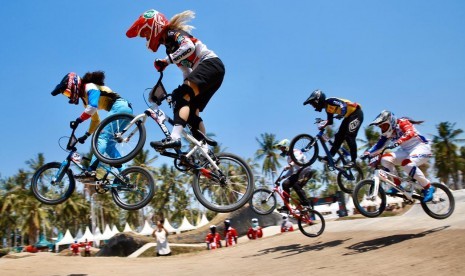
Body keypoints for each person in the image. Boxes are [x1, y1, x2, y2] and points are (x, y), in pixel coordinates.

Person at [126, 9, 225, 151]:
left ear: (155, 25)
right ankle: (206, 153)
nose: (146, 38)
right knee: (191, 111)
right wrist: (184, 86)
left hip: (210, 63)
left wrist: (167, 61)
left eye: (146, 33)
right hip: (214, 71)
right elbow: (186, 71)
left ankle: (174, 138)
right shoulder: (169, 48)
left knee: (181, 96)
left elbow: (189, 47)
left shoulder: (173, 34)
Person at [51, 71, 133, 178]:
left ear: (74, 84)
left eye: (67, 92)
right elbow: (95, 120)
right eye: (66, 95)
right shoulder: (85, 100)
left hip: (119, 107)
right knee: (108, 146)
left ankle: (92, 170)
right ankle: (125, 174)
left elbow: (93, 107)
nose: (69, 96)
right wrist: (86, 135)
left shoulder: (89, 87)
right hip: (124, 109)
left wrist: (78, 120)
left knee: (100, 137)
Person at [365, 110, 435, 202]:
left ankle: (428, 187)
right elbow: (379, 145)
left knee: (407, 164)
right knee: (385, 159)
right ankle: (397, 184)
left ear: (391, 121)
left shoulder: (403, 122)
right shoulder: (388, 133)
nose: (383, 129)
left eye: (384, 126)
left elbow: (410, 133)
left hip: (422, 147)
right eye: (381, 127)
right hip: (406, 151)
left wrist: (398, 141)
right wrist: (367, 153)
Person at [303, 90, 363, 168]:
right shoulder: (328, 109)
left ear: (318, 100)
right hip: (348, 117)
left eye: (313, 103)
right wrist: (323, 123)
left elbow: (343, 105)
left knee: (349, 136)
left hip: (356, 113)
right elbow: (330, 121)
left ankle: (353, 160)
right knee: (338, 136)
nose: (313, 106)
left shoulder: (330, 101)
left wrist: (342, 113)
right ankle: (330, 156)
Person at [274, 139, 316, 211]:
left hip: (306, 171)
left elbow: (297, 159)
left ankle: (307, 204)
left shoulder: (296, 151)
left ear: (287, 147)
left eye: (282, 148)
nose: (281, 150)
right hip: (298, 173)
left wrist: (290, 165)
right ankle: (287, 206)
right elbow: (291, 171)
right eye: (280, 149)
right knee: (285, 184)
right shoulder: (288, 158)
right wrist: (281, 178)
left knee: (296, 185)